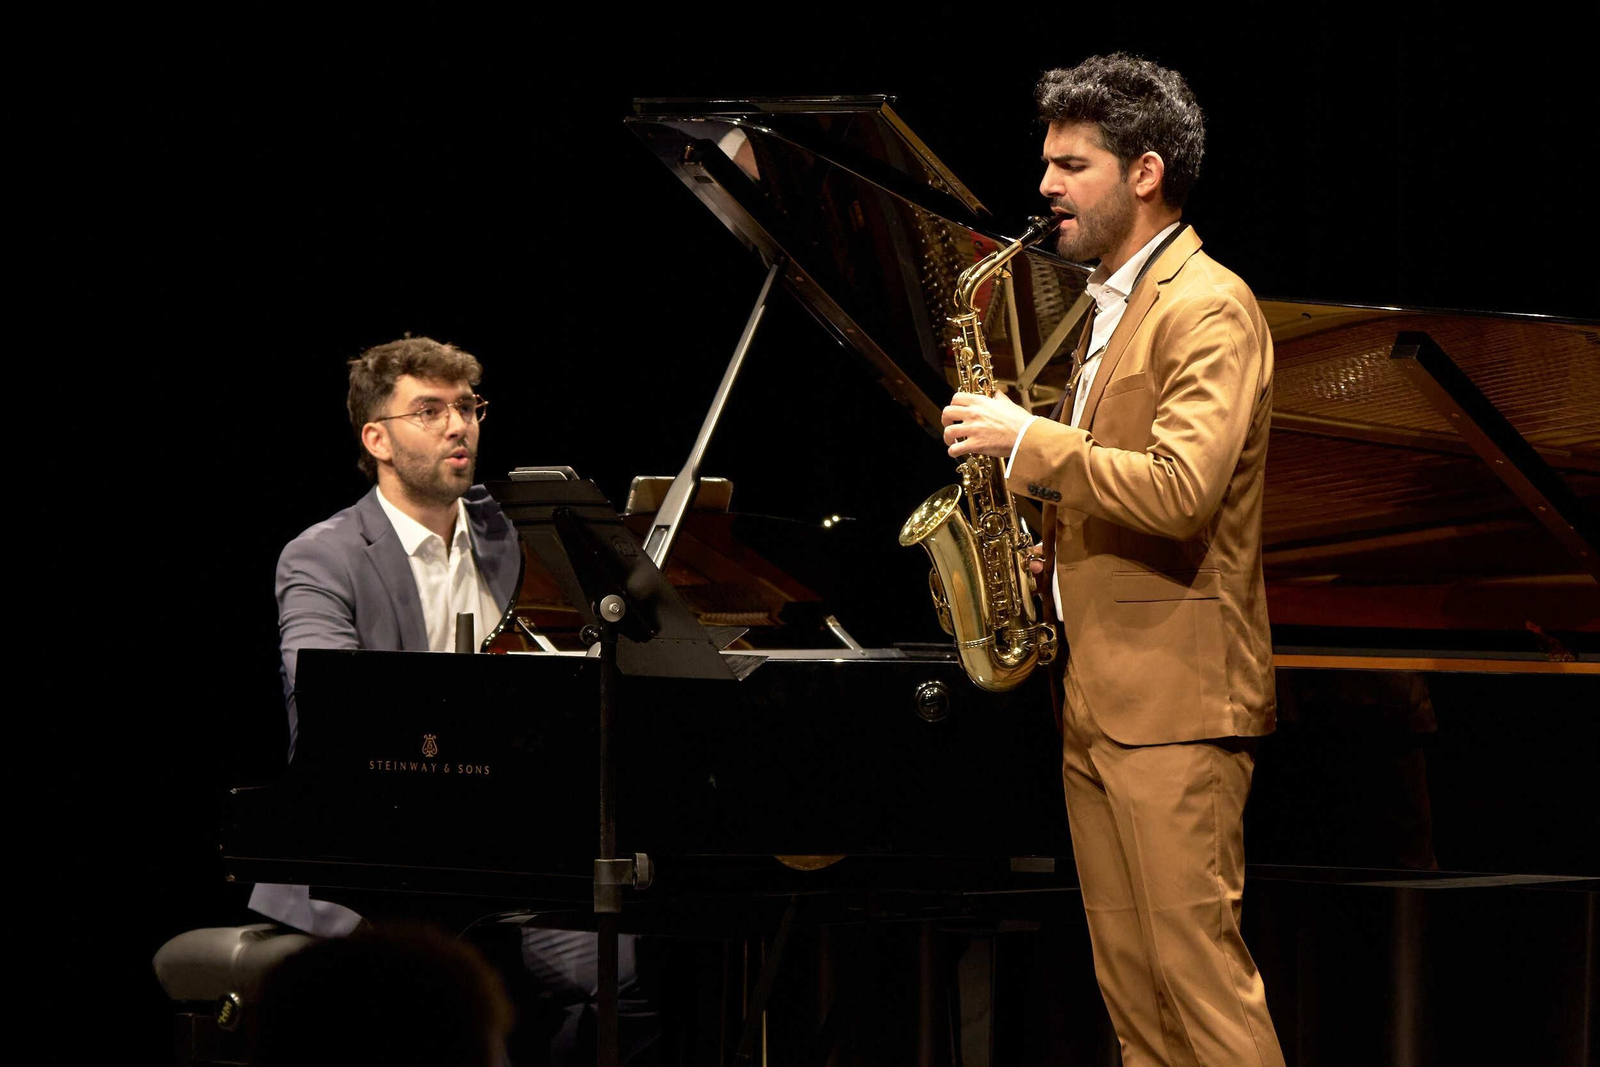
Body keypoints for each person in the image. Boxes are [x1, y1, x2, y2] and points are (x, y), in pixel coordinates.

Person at [942, 54, 1285, 1067]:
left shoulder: (1206, 305)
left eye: (1069, 163)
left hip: (1174, 701)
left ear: (1144, 171)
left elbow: (1180, 491)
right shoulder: (1107, 302)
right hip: (1095, 690)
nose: (1043, 185)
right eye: (1046, 162)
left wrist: (1024, 441)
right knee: (1134, 1002)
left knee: (1201, 993)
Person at [249, 335, 520, 936]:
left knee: (613, 977)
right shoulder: (322, 557)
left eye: (468, 407)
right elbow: (331, 704)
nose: (459, 426)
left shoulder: (519, 536)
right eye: (430, 410)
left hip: (508, 850)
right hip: (368, 855)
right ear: (377, 440)